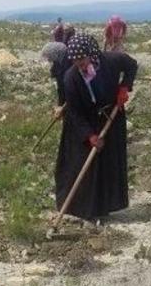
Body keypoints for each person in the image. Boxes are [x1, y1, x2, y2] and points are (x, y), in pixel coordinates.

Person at [55, 33, 138, 222]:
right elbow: (74, 113)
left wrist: (124, 87)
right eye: (76, 61)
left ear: (91, 54)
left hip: (111, 115)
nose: (80, 65)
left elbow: (131, 65)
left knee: (108, 161)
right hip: (87, 120)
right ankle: (81, 207)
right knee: (82, 162)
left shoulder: (111, 60)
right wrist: (90, 136)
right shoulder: (71, 78)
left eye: (82, 60)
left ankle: (105, 206)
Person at [41, 41, 71, 119]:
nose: (49, 60)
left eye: (49, 57)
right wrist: (60, 106)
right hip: (65, 102)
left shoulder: (69, 65)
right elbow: (60, 88)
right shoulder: (58, 64)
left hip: (72, 102)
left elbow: (68, 89)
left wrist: (62, 107)